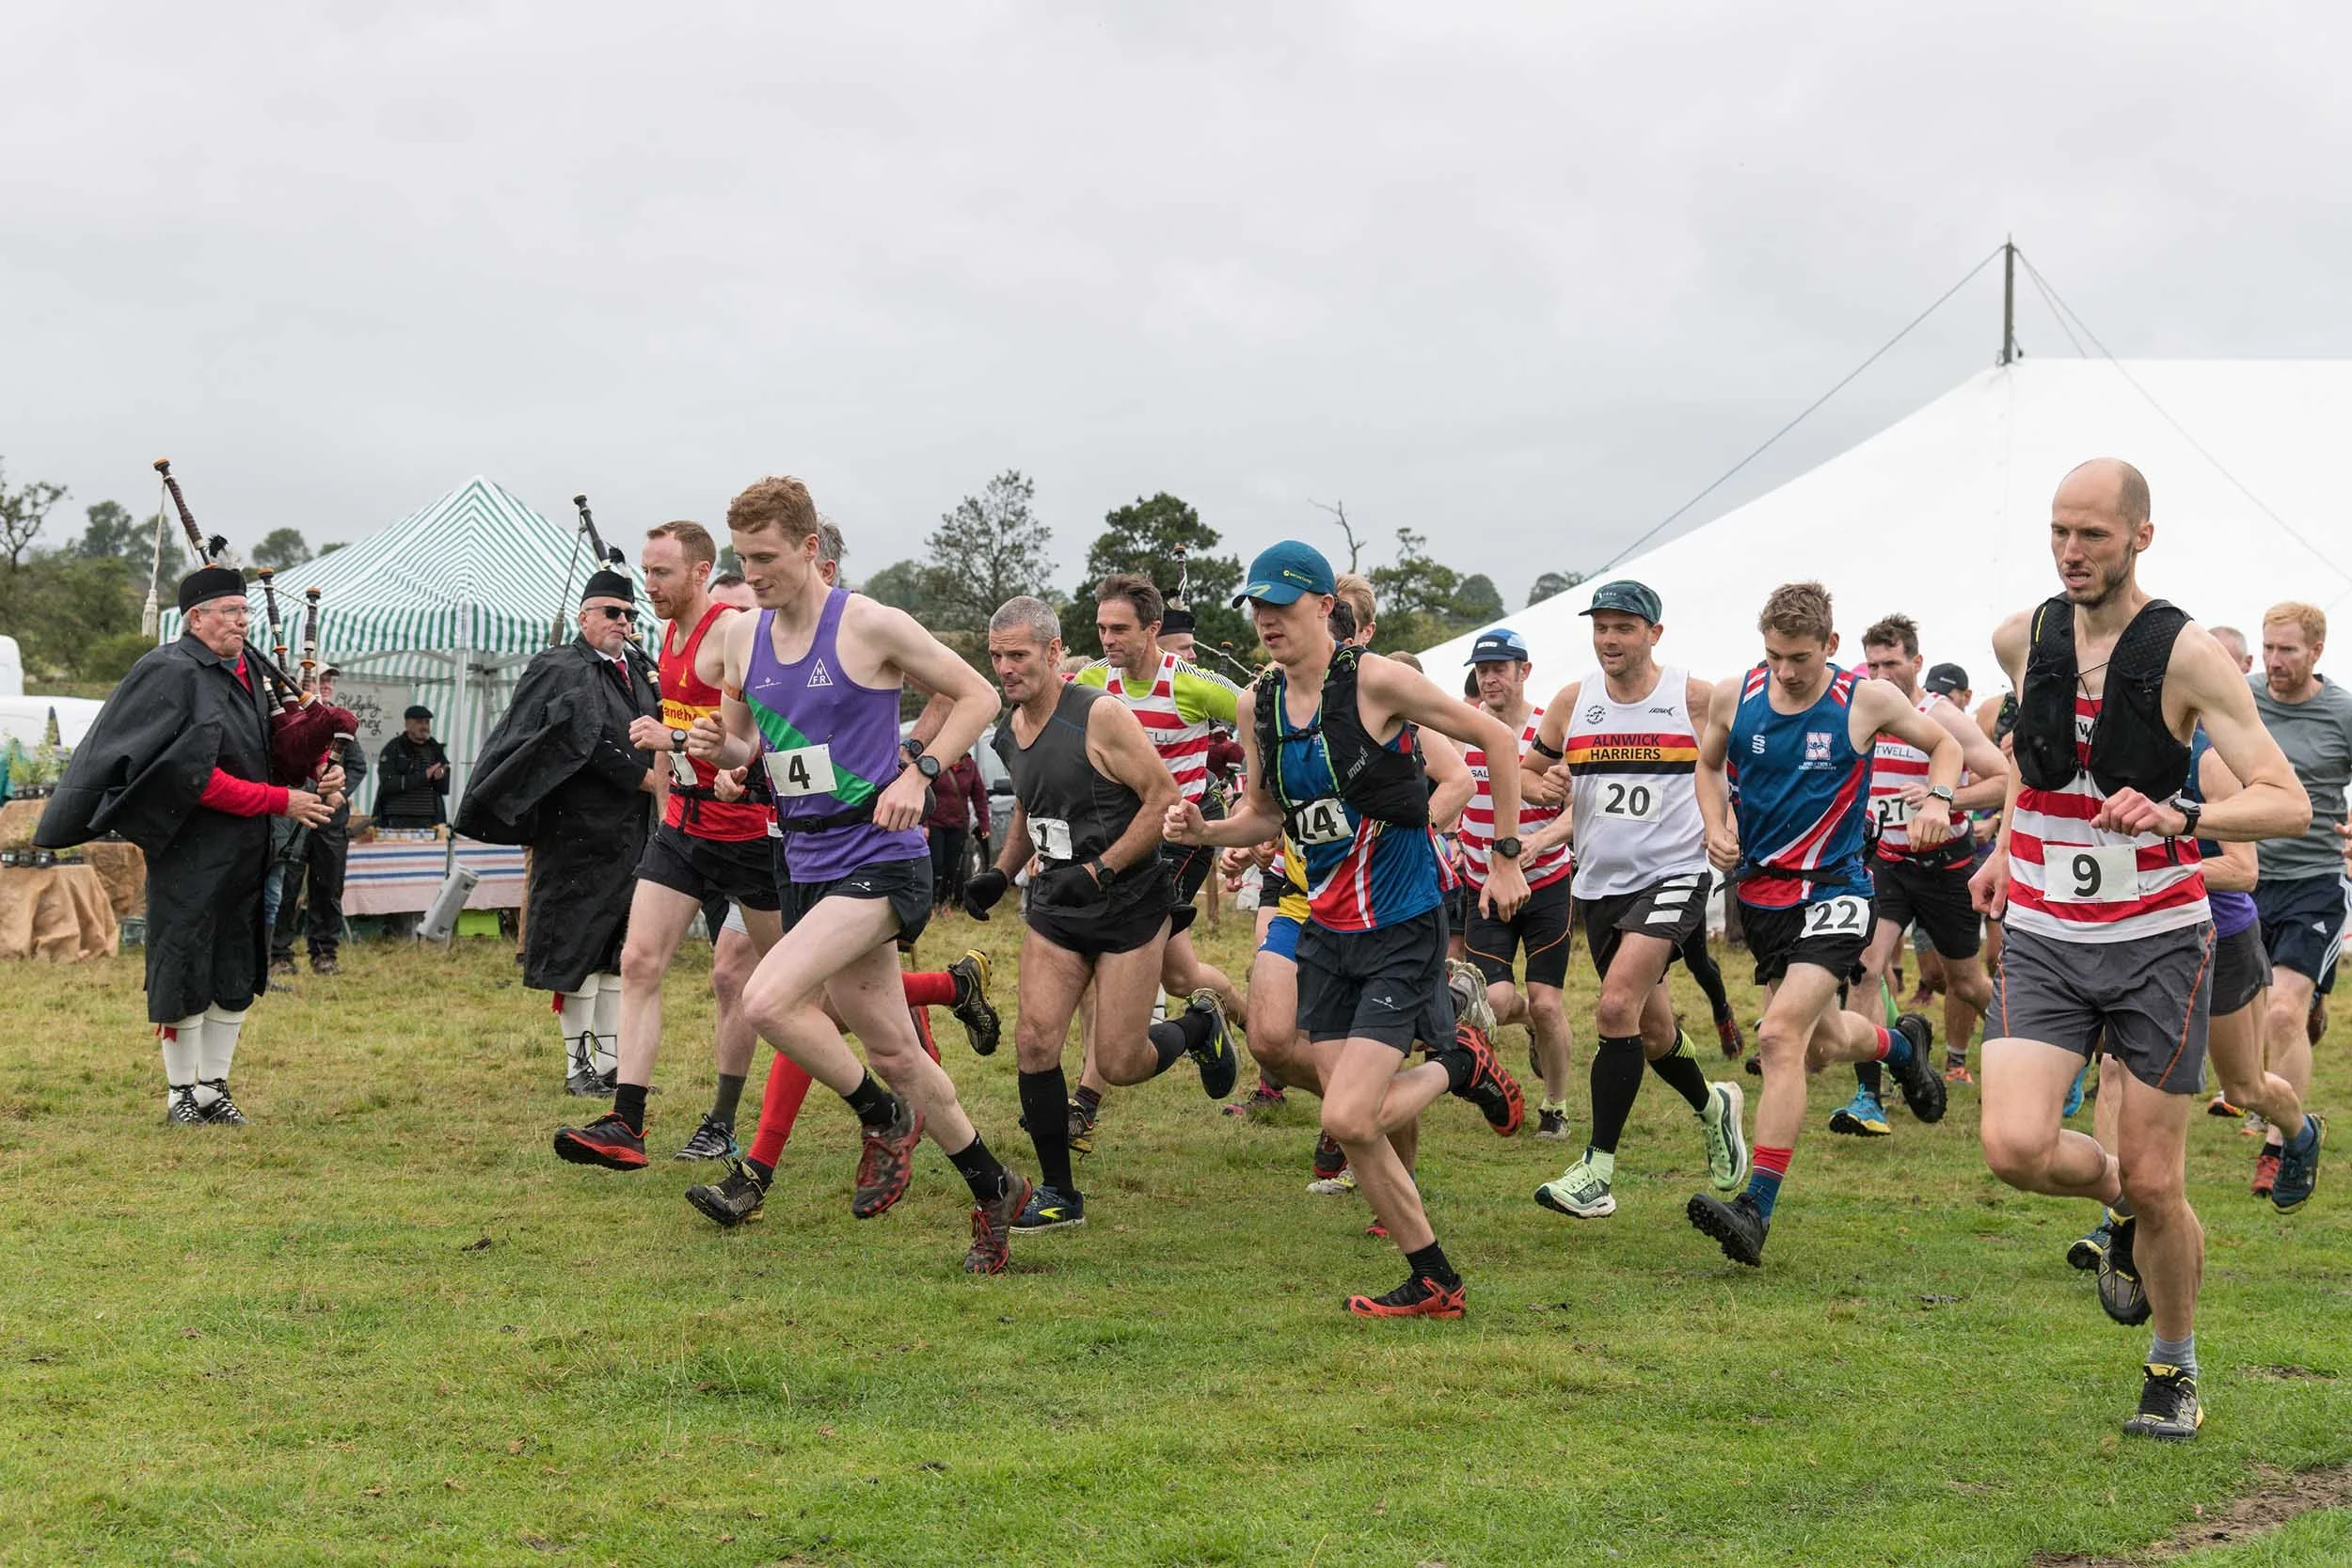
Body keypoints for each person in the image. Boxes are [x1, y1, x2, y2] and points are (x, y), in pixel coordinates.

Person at [1973, 457, 2308, 1442]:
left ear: (2140, 538)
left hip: (2157, 940)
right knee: (2014, 1146)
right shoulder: (2023, 636)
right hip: (2044, 930)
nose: (2071, 552)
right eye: (2059, 532)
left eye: (2093, 535)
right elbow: (2031, 764)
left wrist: (2183, 813)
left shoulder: (2185, 653)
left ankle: (2173, 1364)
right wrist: (2002, 848)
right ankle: (2117, 1193)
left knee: (2166, 1180)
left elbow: (2285, 799)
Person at [669, 475, 1027, 1274]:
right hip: (803, 859)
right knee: (898, 1050)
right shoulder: (741, 636)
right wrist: (719, 752)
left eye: (767, 557)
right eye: (743, 558)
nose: (753, 573)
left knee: (766, 998)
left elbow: (976, 694)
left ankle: (880, 1115)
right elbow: (745, 745)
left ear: (810, 548)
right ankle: (995, 1186)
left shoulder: (867, 623)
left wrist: (920, 771)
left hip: (879, 855)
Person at [1168, 540, 1526, 1319]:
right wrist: (1207, 831)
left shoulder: (1375, 680)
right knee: (1355, 1120)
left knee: (1346, 1116)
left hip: (1401, 922)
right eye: (1257, 607)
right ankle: (1435, 1279)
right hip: (1326, 928)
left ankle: (1460, 1062)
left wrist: (1504, 858)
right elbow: (1265, 812)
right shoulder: (1257, 703)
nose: (1267, 620)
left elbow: (1496, 743)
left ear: (1325, 607)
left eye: (1282, 605)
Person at [1685, 580, 1957, 1267]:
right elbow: (1707, 766)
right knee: (1820, 1042)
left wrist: (1939, 801)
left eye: (1800, 657)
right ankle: (1902, 1048)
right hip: (1763, 897)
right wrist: (1716, 825)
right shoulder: (1735, 694)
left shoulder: (1864, 700)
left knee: (1778, 1037)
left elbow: (1944, 747)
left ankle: (1756, 1209)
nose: (1785, 671)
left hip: (1837, 891)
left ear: (1830, 645)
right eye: (1774, 655)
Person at [37, 565, 349, 1125]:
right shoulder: (168, 670)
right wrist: (280, 801)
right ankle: (179, 1092)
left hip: (248, 847)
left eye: (245, 611)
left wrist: (320, 767)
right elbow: (184, 777)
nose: (242, 622)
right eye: (229, 612)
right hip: (189, 849)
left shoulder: (252, 669)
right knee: (183, 963)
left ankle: (212, 1089)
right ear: (195, 618)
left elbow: (275, 749)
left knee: (235, 965)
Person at [964, 596, 1238, 1232]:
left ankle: (1199, 1025)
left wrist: (1100, 871)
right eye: (997, 656)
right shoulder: (1010, 727)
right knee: (1035, 1041)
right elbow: (1031, 808)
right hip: (1056, 906)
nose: (1005, 668)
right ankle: (1059, 1192)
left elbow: (1161, 797)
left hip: (1128, 903)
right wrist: (1000, 873)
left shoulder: (1100, 714)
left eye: (1018, 655)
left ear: (1054, 652)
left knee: (1120, 1062)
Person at [541, 521, 794, 1164]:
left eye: (661, 573)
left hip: (746, 836)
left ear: (700, 572)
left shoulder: (732, 631)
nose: (647, 586)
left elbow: (758, 731)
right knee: (639, 962)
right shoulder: (667, 635)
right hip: (684, 829)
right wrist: (667, 796)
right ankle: (627, 1123)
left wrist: (687, 744)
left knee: (794, 988)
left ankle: (892, 1068)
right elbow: (675, 736)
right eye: (646, 571)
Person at [1520, 579, 1747, 1218]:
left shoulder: (1694, 697)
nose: (1609, 639)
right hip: (1599, 883)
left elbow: (1733, 770)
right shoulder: (1573, 702)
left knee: (1616, 1005)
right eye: (1601, 628)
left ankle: (1597, 1171)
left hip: (1675, 872)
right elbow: (1532, 773)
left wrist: (1724, 827)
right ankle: (1714, 1105)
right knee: (1652, 1031)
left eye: (1623, 627)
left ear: (1654, 633)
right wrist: (1545, 787)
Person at [1063, 574, 1248, 1149]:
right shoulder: (1092, 682)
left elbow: (1259, 711)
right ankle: (1250, 1029)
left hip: (1181, 841)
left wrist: (1256, 803)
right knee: (1182, 976)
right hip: (1125, 841)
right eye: (1101, 628)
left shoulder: (1190, 683)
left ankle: (1084, 1102)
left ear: (1152, 630)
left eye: (1119, 628)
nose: (1108, 639)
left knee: (1108, 952)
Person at [458, 569, 660, 1093]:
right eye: (611, 612)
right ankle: (577, 1068)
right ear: (584, 616)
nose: (622, 622)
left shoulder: (638, 670)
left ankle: (611, 1065)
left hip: (633, 832)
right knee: (579, 950)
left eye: (629, 614)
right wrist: (641, 778)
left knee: (617, 952)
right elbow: (576, 737)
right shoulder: (559, 666)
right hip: (576, 834)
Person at [1835, 626, 2010, 1133]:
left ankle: (2034, 1052)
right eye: (1873, 665)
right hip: (1886, 864)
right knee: (1865, 969)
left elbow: (2002, 781)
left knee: (1966, 983)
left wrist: (1943, 798)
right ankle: (1869, 1097)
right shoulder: (1863, 711)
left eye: (1892, 664)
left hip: (1945, 866)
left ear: (1917, 663)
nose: (1881, 675)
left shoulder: (1942, 716)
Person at [1456, 626, 1578, 1139]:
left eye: (1499, 669)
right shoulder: (1461, 728)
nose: (1490, 679)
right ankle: (1528, 1022)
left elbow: (1579, 809)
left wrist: (1540, 841)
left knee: (1548, 1002)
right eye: (1482, 670)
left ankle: (1556, 1106)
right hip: (1483, 884)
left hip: (1546, 881)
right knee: (1495, 1002)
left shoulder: (1552, 730)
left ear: (1524, 671)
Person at [2246, 602, 2345, 1198]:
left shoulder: (2342, 713)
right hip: (2245, 877)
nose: (2274, 661)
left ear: (2316, 652)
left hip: (2315, 881)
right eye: (2268, 648)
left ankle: (2282, 1147)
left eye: (2287, 650)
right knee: (2254, 1014)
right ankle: (2305, 1008)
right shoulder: (2242, 697)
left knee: (2282, 1013)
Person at [266, 665, 364, 978]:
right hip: (294, 816)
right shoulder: (288, 718)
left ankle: (324, 954)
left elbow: (357, 765)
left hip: (331, 820)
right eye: (317, 680)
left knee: (328, 888)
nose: (324, 685)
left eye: (328, 680)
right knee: (287, 888)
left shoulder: (340, 721)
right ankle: (279, 954)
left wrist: (339, 791)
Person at [923, 749, 988, 911]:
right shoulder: (937, 764)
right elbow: (923, 794)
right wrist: (924, 824)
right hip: (935, 824)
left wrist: (984, 823)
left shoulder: (970, 766)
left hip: (958, 825)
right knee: (936, 865)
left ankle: (945, 903)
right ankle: (931, 904)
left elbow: (979, 796)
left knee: (952, 867)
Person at [374, 706, 450, 830]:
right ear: (408, 725)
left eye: (427, 722)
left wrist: (441, 774)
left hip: (429, 818)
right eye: (419, 722)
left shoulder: (434, 747)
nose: (424, 726)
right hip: (397, 817)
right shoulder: (394, 748)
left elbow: (444, 771)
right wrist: (424, 776)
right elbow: (388, 783)